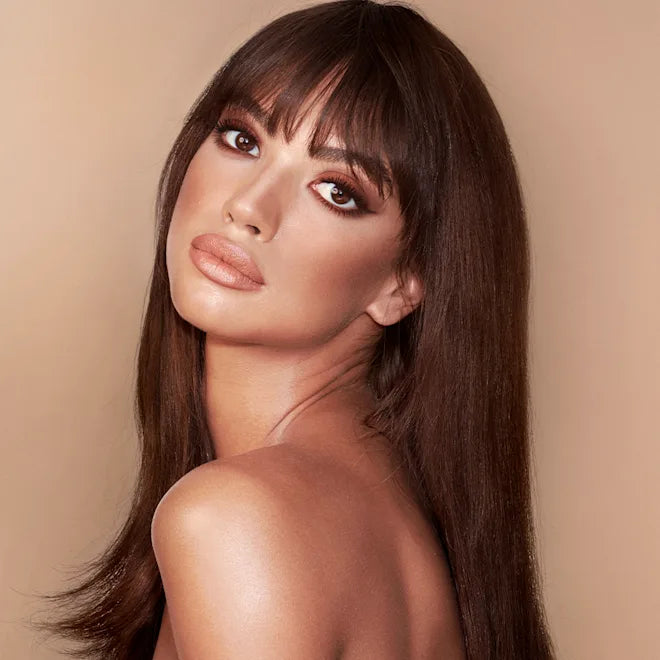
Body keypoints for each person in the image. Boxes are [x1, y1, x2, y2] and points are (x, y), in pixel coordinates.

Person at [34, 0, 556, 658]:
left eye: (337, 191)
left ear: (404, 283)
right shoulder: (389, 513)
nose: (247, 206)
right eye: (242, 139)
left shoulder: (236, 522)